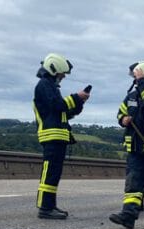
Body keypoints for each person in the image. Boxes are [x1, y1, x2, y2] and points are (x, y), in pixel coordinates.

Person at [109, 61, 144, 229]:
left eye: (137, 77)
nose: (135, 80)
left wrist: (142, 82)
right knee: (133, 181)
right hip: (134, 147)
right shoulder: (132, 96)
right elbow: (121, 111)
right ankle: (129, 215)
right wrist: (122, 119)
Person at [33, 53, 89, 219]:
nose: (63, 77)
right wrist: (75, 98)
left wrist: (79, 103)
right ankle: (45, 208)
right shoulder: (44, 85)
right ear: (54, 70)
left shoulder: (51, 87)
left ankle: (50, 206)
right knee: (49, 172)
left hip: (58, 137)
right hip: (51, 136)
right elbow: (57, 105)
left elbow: (65, 112)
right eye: (61, 74)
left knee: (54, 173)